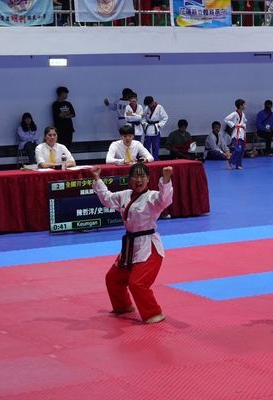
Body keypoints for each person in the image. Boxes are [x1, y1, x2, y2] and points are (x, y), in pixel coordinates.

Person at [91, 162, 174, 324]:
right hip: (130, 245)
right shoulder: (124, 195)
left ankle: (154, 313)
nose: (139, 179)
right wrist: (97, 178)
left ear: (148, 179)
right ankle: (123, 306)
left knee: (137, 283)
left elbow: (165, 200)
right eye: (135, 176)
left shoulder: (152, 197)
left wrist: (165, 179)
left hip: (148, 246)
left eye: (142, 176)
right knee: (113, 278)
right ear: (130, 179)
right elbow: (107, 199)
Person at [142, 96, 168, 161]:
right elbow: (143, 117)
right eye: (147, 105)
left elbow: (165, 117)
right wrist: (144, 123)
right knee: (146, 146)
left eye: (149, 104)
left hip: (155, 128)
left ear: (153, 101)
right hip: (148, 128)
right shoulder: (146, 108)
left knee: (155, 146)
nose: (149, 106)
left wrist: (159, 125)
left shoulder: (159, 107)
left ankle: (156, 159)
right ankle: (148, 159)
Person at [224, 98, 247, 170]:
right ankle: (229, 161)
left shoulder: (243, 114)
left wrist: (243, 126)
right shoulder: (234, 113)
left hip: (242, 134)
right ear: (240, 106)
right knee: (238, 150)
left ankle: (238, 164)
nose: (245, 106)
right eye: (244, 104)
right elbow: (226, 119)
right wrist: (233, 125)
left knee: (242, 150)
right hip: (236, 135)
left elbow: (244, 121)